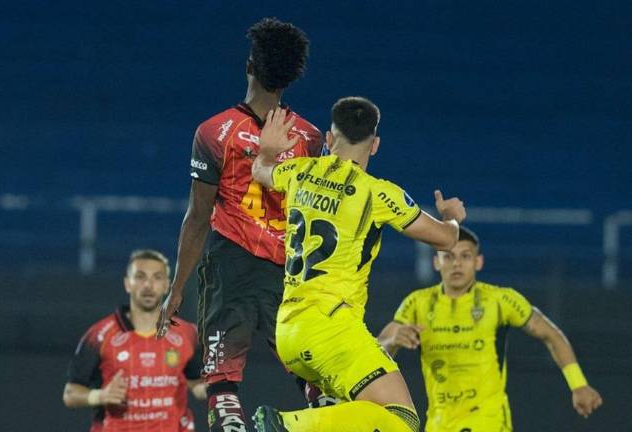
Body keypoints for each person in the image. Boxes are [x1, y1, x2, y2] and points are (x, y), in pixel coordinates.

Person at [250, 99, 466, 432]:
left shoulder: (299, 172)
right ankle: (288, 426)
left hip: (288, 330)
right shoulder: (377, 194)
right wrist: (452, 217)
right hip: (332, 327)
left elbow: (260, 171)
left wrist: (267, 150)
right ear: (375, 144)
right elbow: (445, 239)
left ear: (329, 139)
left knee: (358, 417)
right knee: (401, 418)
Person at [160, 17, 323, 432]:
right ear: (289, 77)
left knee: (223, 382)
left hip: (230, 266)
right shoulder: (309, 137)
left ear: (250, 66)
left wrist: (177, 289)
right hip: (288, 271)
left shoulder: (214, 133)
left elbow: (198, 218)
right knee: (312, 376)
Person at [377, 227, 603, 431]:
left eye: (465, 256)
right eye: (449, 256)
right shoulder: (416, 303)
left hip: (487, 419)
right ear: (437, 262)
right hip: (439, 422)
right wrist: (394, 340)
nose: (457, 264)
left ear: (478, 262)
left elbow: (551, 334)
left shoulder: (500, 300)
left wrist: (579, 384)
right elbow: (378, 351)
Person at [63, 249, 206, 432]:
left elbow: (196, 384)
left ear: (167, 285)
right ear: (127, 284)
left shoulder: (188, 333)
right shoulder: (100, 335)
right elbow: (70, 393)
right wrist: (100, 396)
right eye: (140, 277)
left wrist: (213, 388)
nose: (148, 285)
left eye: (157, 277)